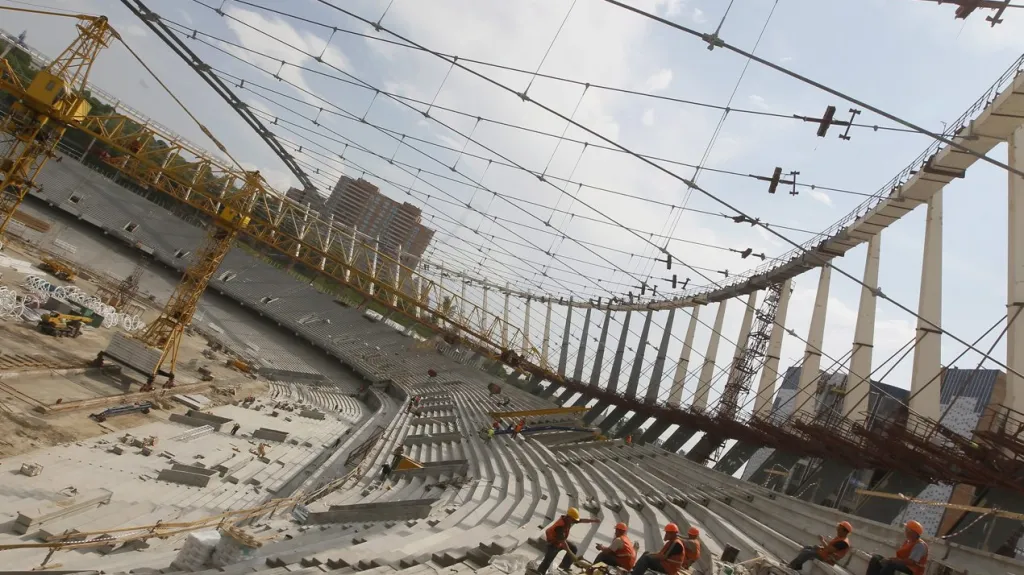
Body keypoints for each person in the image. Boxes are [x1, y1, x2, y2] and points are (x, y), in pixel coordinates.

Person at [537, 507, 600, 575]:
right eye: (573, 519)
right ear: (569, 517)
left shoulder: (570, 519)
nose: (574, 521)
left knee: (573, 548)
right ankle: (540, 572)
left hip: (560, 541)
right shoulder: (560, 527)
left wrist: (593, 520)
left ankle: (564, 566)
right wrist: (573, 556)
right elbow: (563, 542)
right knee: (548, 559)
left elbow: (581, 520)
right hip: (553, 542)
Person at [788, 521, 852, 570]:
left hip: (828, 559)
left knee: (807, 553)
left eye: (839, 529)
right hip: (825, 554)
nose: (837, 530)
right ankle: (796, 566)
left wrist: (822, 540)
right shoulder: (840, 537)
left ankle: (791, 566)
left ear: (845, 532)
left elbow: (829, 550)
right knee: (808, 547)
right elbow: (830, 548)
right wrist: (821, 547)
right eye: (838, 528)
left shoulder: (843, 542)